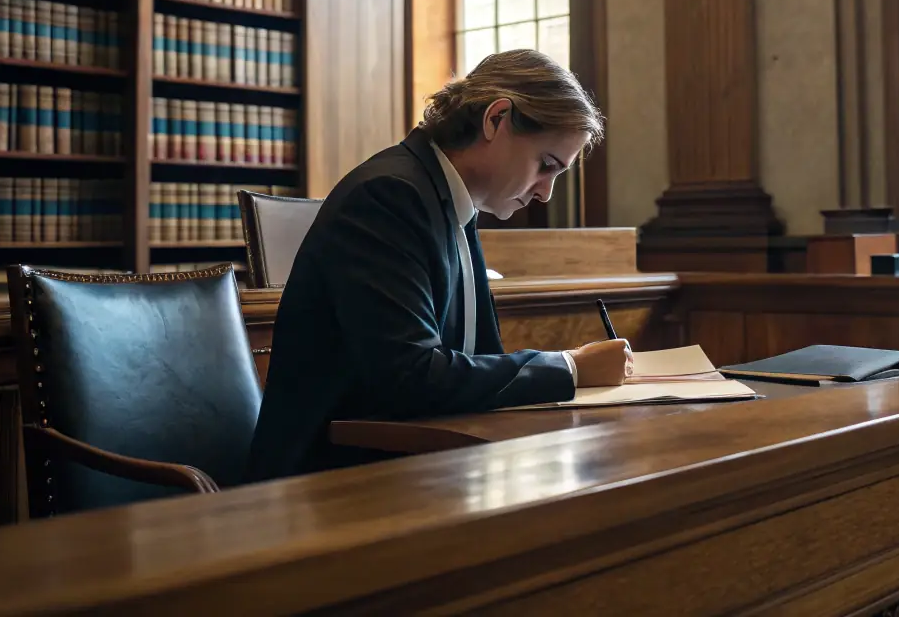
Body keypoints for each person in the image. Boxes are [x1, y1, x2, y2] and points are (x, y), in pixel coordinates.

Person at [247, 49, 630, 481]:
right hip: (329, 482)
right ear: (496, 119)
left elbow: (478, 359)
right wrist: (570, 367)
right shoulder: (389, 196)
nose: (545, 193)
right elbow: (410, 376)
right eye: (546, 165)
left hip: (411, 464)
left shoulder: (451, 200)